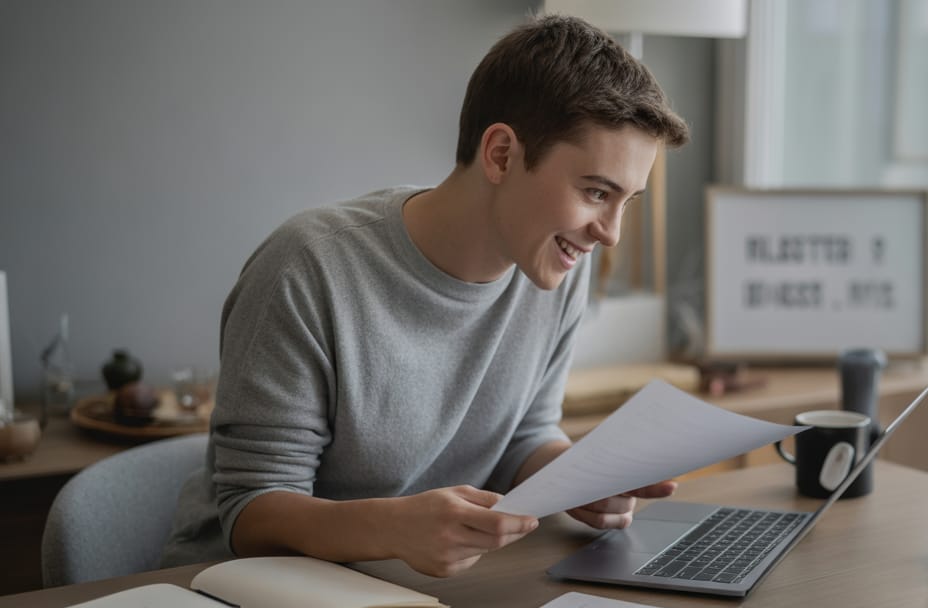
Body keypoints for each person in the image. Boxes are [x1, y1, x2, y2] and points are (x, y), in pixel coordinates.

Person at [162, 14, 690, 577]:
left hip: (420, 596)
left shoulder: (556, 261)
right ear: (501, 155)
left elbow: (522, 435)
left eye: (626, 202)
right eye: (594, 193)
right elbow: (251, 514)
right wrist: (392, 529)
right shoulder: (307, 269)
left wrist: (580, 478)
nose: (609, 233)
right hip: (250, 601)